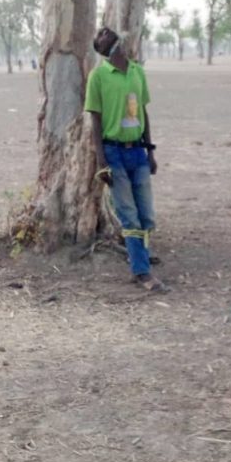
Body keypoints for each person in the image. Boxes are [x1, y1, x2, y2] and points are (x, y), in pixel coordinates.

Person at [85, 26, 168, 292]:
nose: (104, 31)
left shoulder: (137, 72)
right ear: (108, 48)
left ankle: (140, 255)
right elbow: (95, 121)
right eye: (101, 33)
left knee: (146, 213)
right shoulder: (98, 77)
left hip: (138, 152)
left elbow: (143, 112)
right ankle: (141, 272)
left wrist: (150, 150)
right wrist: (101, 161)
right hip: (114, 152)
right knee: (129, 215)